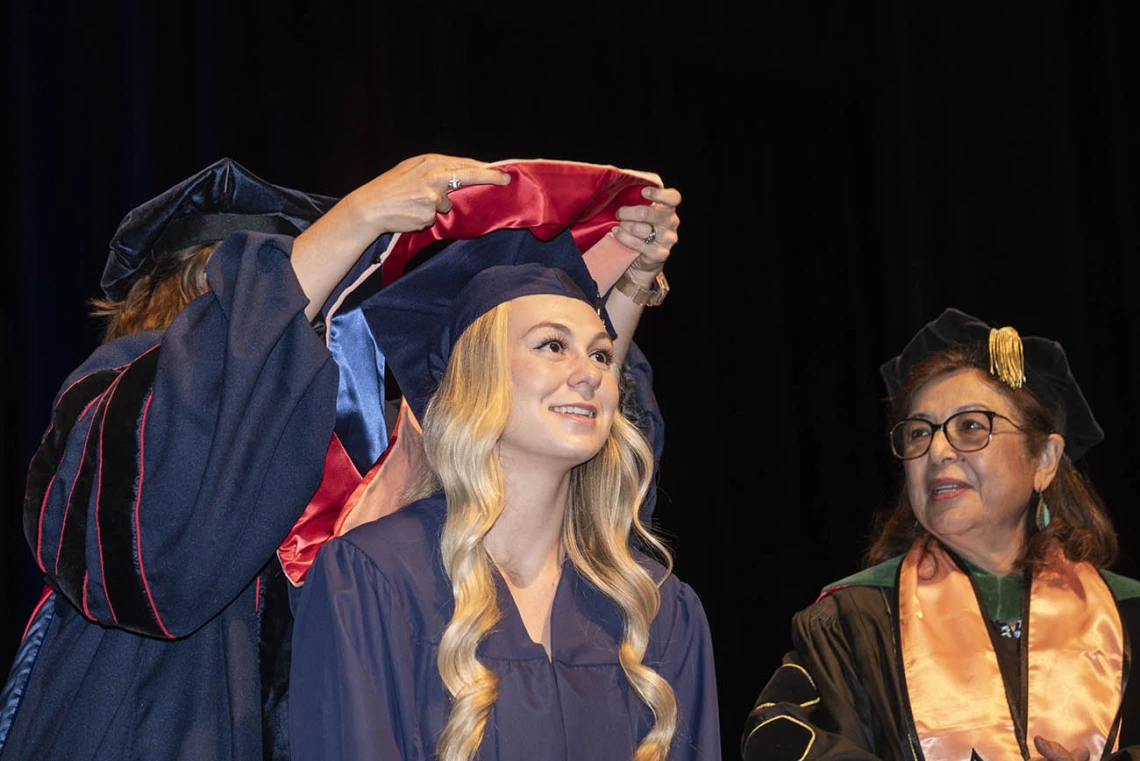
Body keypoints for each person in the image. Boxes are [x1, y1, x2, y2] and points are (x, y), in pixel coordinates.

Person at [0, 153, 682, 761]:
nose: (292, 309)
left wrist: (614, 297)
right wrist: (357, 220)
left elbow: (550, 484)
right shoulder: (121, 398)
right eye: (260, 288)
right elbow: (165, 544)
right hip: (147, 718)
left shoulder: (371, 442)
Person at [288, 211, 720, 759]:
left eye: (602, 354)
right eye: (551, 346)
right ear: (477, 376)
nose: (591, 372)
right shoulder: (374, 582)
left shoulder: (656, 608)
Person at [743, 308, 1140, 761]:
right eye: (917, 434)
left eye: (971, 426)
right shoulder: (852, 623)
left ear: (1045, 460)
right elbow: (778, 742)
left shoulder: (1128, 618)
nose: (937, 450)